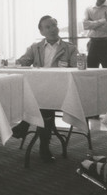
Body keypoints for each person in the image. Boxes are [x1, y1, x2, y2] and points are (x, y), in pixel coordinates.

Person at [13, 15, 78, 162]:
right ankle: (43, 146)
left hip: (61, 92)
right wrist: (12, 62)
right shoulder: (35, 47)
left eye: (54, 25)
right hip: (40, 91)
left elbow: (76, 69)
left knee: (43, 101)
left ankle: (25, 124)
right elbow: (23, 61)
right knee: (39, 99)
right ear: (42, 32)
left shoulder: (70, 48)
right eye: (48, 27)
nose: (53, 29)